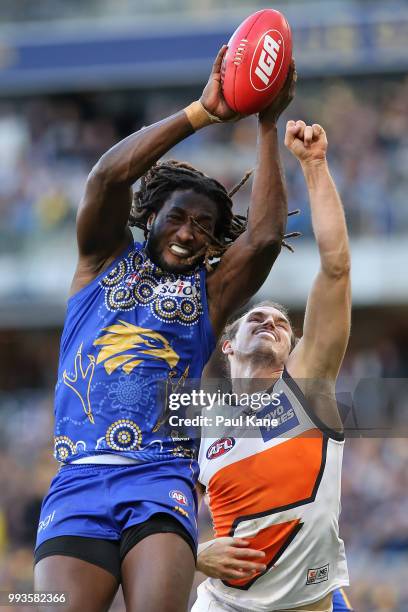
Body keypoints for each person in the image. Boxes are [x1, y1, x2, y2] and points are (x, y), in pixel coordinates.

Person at [33, 46, 296, 612]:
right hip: (77, 482)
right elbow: (107, 175)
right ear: (150, 215)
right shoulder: (101, 259)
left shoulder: (210, 292)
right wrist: (201, 113)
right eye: (177, 216)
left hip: (160, 482)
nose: (188, 231)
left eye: (204, 226)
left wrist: (268, 123)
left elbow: (267, 237)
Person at [194, 120, 353, 611]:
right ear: (227, 345)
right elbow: (152, 511)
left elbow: (336, 268)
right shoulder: (196, 416)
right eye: (255, 317)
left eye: (282, 323)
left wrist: (314, 165)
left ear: (293, 349)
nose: (269, 321)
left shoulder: (308, 390)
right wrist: (196, 554)